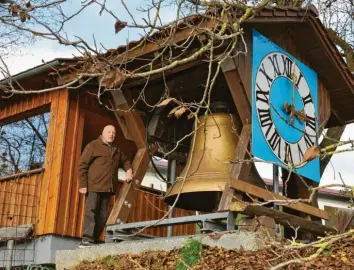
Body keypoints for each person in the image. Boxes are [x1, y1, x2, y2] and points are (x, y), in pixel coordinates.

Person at [78, 125, 133, 247]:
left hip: (108, 188)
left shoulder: (116, 149)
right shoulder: (93, 145)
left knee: (102, 216)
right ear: (103, 133)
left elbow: (125, 161)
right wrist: (82, 184)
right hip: (93, 186)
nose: (111, 134)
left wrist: (129, 170)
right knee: (90, 213)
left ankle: (94, 240)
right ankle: (86, 239)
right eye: (109, 132)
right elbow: (82, 165)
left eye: (113, 132)